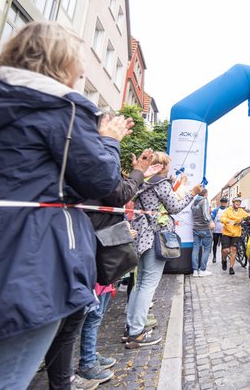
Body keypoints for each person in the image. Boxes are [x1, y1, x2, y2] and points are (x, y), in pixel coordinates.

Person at [0, 21, 132, 390]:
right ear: (60, 64)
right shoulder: (60, 109)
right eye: (76, 69)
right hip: (28, 263)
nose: (78, 79)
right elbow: (102, 182)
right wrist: (108, 141)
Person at [73, 149, 154, 387]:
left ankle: (90, 354)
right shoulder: (95, 177)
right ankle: (86, 362)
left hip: (109, 247)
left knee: (97, 313)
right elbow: (119, 196)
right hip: (99, 249)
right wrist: (138, 173)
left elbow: (121, 200)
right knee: (90, 314)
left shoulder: (105, 179)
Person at [126, 152, 201, 348]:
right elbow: (175, 207)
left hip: (141, 235)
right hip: (156, 236)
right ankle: (136, 332)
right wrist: (191, 193)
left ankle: (131, 327)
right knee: (148, 284)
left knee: (140, 282)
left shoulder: (142, 182)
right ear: (163, 166)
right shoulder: (161, 183)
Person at [219, 196, 249, 275]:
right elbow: (222, 218)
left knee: (234, 249)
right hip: (227, 233)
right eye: (236, 202)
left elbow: (248, 215)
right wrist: (229, 221)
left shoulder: (241, 211)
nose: (238, 203)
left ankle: (231, 267)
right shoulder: (227, 211)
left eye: (239, 202)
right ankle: (224, 260)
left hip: (236, 233)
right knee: (226, 250)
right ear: (233, 203)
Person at [191, 188, 214, 277]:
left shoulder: (194, 203)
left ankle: (195, 271)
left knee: (195, 249)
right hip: (204, 228)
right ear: (205, 194)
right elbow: (205, 213)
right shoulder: (204, 201)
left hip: (195, 228)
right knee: (207, 249)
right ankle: (202, 270)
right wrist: (211, 221)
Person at [210, 197, 228, 263]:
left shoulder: (228, 210)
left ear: (226, 203)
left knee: (224, 245)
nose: (224, 203)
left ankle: (222, 258)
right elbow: (211, 217)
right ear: (221, 202)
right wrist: (211, 222)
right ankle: (214, 257)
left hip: (224, 231)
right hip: (216, 231)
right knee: (215, 244)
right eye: (223, 202)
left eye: (225, 202)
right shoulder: (216, 210)